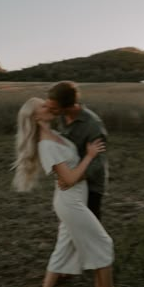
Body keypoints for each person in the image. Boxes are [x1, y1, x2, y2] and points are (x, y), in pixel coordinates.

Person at [12, 97, 114, 287]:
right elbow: (69, 180)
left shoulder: (56, 134)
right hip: (71, 203)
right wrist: (90, 156)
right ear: (35, 117)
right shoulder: (47, 145)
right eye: (43, 106)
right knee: (104, 244)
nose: (49, 106)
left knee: (62, 251)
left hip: (74, 200)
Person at [46, 81, 109, 220]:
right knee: (71, 224)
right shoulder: (61, 117)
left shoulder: (93, 125)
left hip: (90, 185)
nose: (51, 111)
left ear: (68, 106)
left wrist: (72, 179)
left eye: (54, 108)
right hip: (71, 179)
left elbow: (97, 163)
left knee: (90, 227)